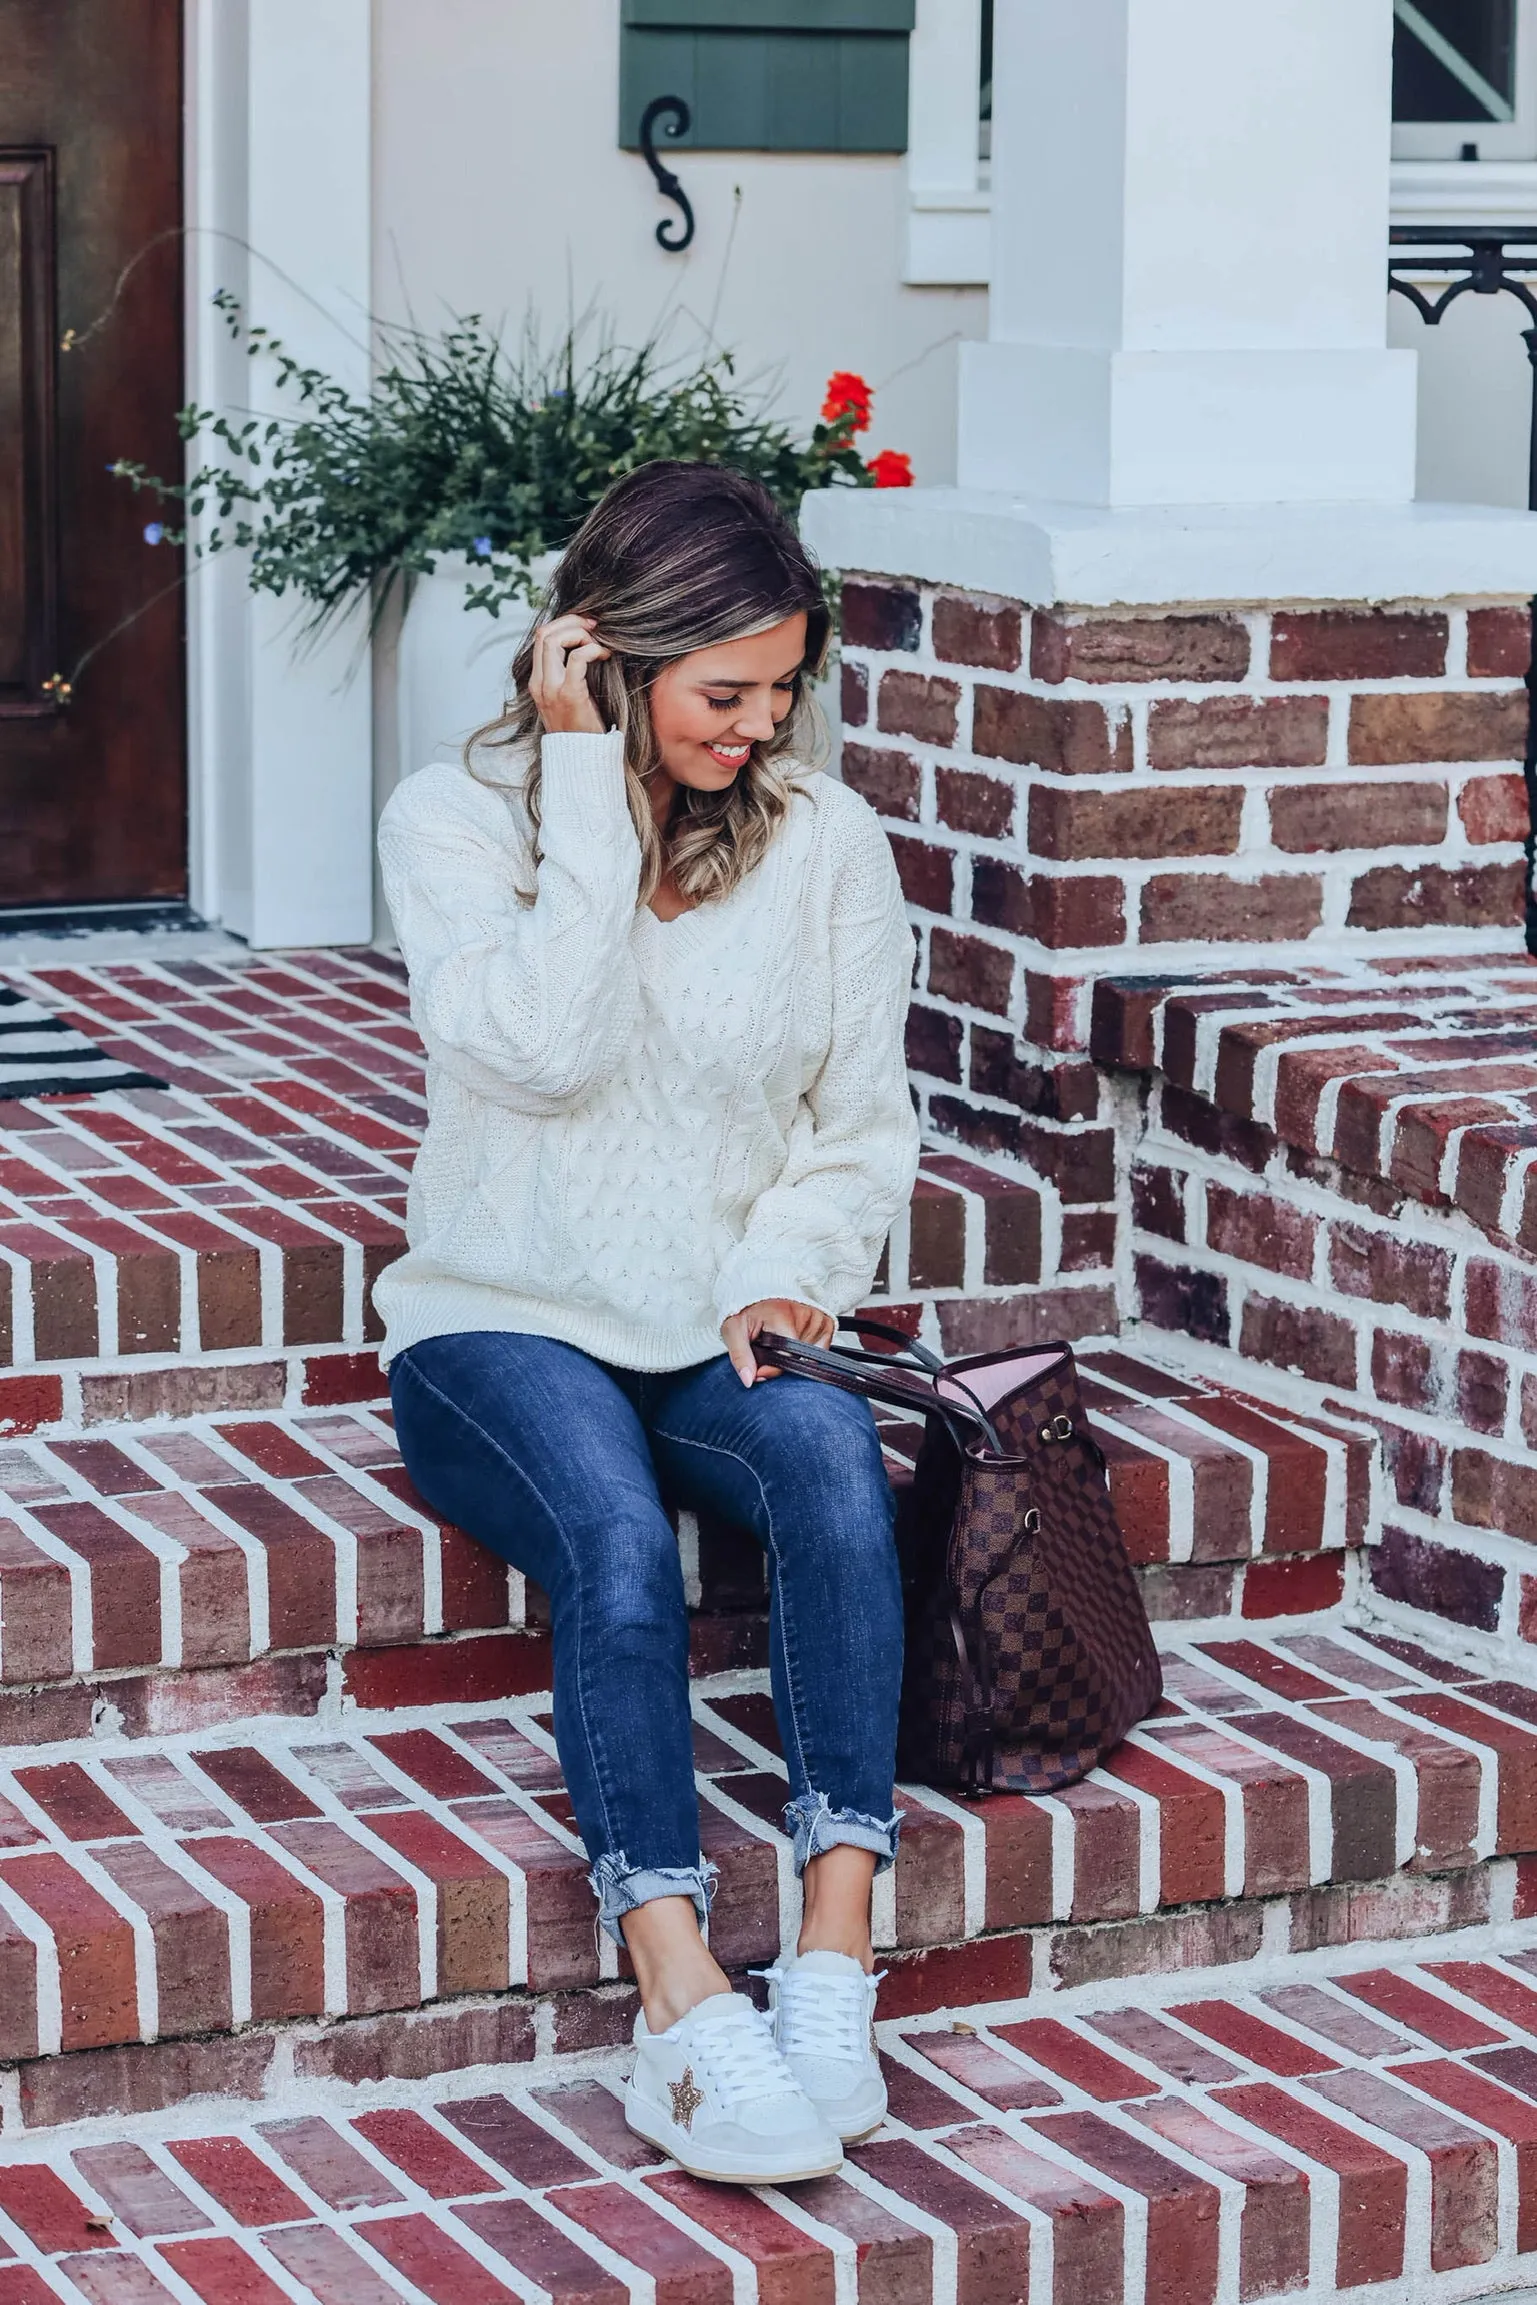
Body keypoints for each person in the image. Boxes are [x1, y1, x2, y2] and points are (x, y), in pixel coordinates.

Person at [376, 460, 920, 2185]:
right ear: (603, 657)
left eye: (785, 690)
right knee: (613, 1545)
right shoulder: (458, 823)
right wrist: (593, 793)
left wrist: (791, 1265)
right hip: (499, 1315)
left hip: (708, 1314)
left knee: (833, 1460)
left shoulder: (828, 843)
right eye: (721, 693)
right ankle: (677, 2004)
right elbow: (539, 1048)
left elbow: (861, 1122)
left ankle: (831, 1953)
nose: (760, 728)